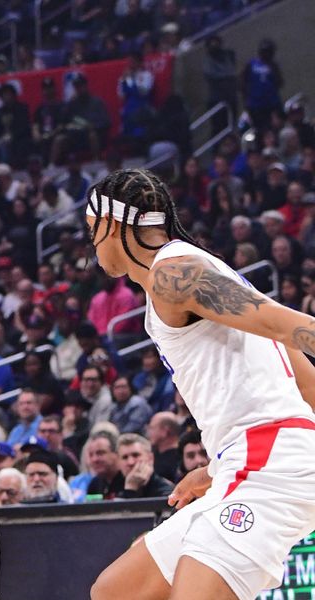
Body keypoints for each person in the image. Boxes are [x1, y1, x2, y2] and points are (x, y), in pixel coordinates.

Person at [87, 168, 315, 600]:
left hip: (269, 464)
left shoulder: (174, 275)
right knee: (116, 592)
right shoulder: (200, 272)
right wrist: (214, 469)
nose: (91, 244)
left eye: (91, 229)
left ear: (111, 226)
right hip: (257, 458)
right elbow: (306, 384)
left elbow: (284, 325)